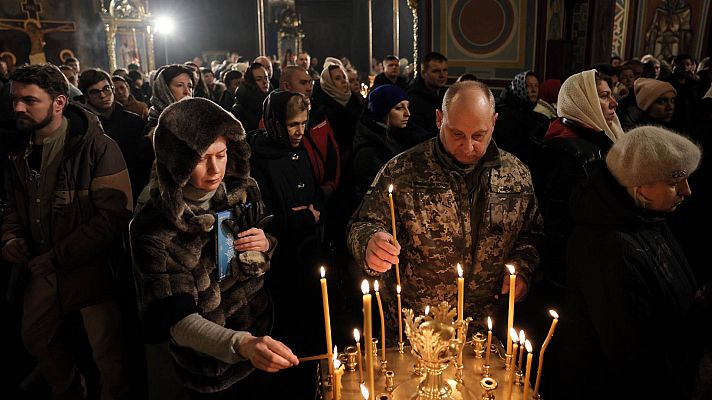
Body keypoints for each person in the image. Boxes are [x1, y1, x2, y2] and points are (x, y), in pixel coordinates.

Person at [130, 97, 298, 399]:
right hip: (209, 362)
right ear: (176, 160)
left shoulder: (242, 190)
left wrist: (266, 244)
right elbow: (177, 319)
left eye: (221, 155)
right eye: (201, 158)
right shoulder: (154, 228)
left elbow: (263, 246)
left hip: (261, 338)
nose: (215, 168)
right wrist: (239, 344)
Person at [348, 80, 543, 335]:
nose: (468, 146)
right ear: (439, 119)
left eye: (479, 135)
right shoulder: (403, 171)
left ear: (494, 122)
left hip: (483, 329)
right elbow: (362, 224)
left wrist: (523, 270)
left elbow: (532, 235)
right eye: (457, 134)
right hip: (417, 329)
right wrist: (370, 243)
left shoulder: (515, 175)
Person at [2, 63, 133, 399]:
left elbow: (113, 215)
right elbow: (13, 204)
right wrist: (12, 236)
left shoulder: (98, 148)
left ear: (59, 103)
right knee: (35, 336)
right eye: (15, 99)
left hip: (91, 269)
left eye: (30, 101)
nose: (18, 107)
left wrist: (59, 257)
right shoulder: (18, 149)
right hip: (41, 266)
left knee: (108, 353)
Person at [562, 126, 703, 399]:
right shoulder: (609, 249)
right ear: (640, 185)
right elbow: (635, 360)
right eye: (675, 181)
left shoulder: (648, 219)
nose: (687, 191)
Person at [246, 91, 323, 399]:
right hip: (281, 264)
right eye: (292, 124)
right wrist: (304, 219)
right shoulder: (258, 159)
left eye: (304, 123)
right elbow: (263, 219)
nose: (299, 131)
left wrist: (313, 210)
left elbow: (314, 192)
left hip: (307, 254)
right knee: (286, 331)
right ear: (276, 123)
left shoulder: (300, 150)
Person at [352, 84, 417, 201]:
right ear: (383, 112)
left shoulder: (400, 135)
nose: (408, 113)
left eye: (407, 106)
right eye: (399, 108)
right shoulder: (368, 151)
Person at [406, 51, 449, 141]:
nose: (442, 75)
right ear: (423, 73)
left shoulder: (447, 95)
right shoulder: (413, 99)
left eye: (445, 70)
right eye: (436, 71)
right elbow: (417, 134)